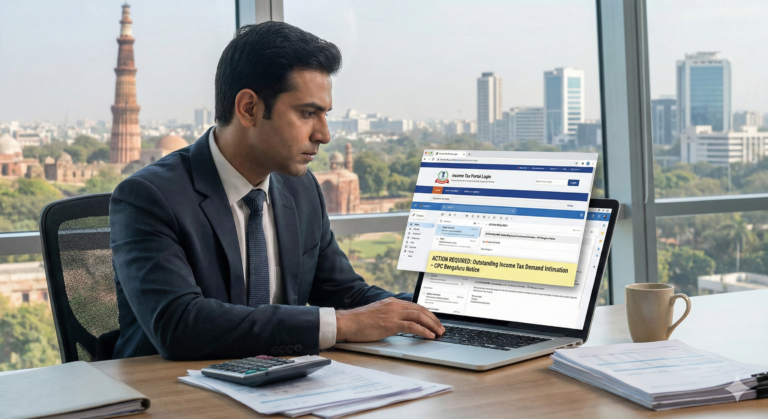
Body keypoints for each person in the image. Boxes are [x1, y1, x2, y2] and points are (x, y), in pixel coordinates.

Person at [110, 21, 443, 360]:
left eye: (325, 115)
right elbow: (180, 325)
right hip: (171, 395)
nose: (324, 135)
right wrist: (340, 326)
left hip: (282, 389)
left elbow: (345, 293)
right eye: (308, 113)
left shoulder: (300, 188)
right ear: (249, 108)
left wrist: (447, 311)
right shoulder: (149, 197)